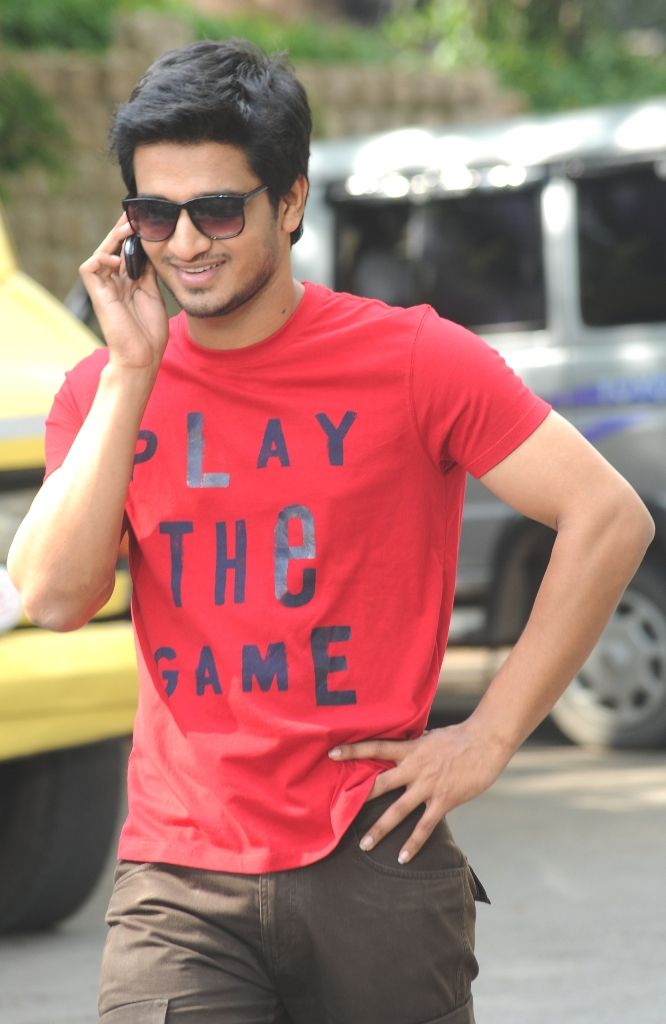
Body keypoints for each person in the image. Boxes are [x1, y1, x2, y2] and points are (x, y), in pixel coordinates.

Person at [8, 39, 654, 1024]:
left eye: (218, 209)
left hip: (376, 852)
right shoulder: (103, 392)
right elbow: (53, 598)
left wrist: (488, 736)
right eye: (155, 214)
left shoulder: (414, 358)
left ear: (291, 201)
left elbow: (609, 515)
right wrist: (134, 371)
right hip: (180, 872)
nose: (185, 242)